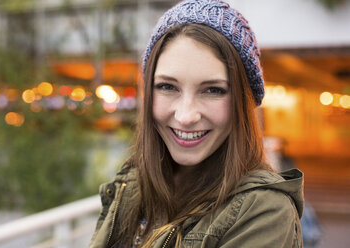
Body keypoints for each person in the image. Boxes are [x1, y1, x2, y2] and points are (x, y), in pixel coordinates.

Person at [89, 0, 304, 247]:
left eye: (213, 90)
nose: (186, 116)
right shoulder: (133, 184)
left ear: (243, 102)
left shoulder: (264, 212)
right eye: (167, 87)